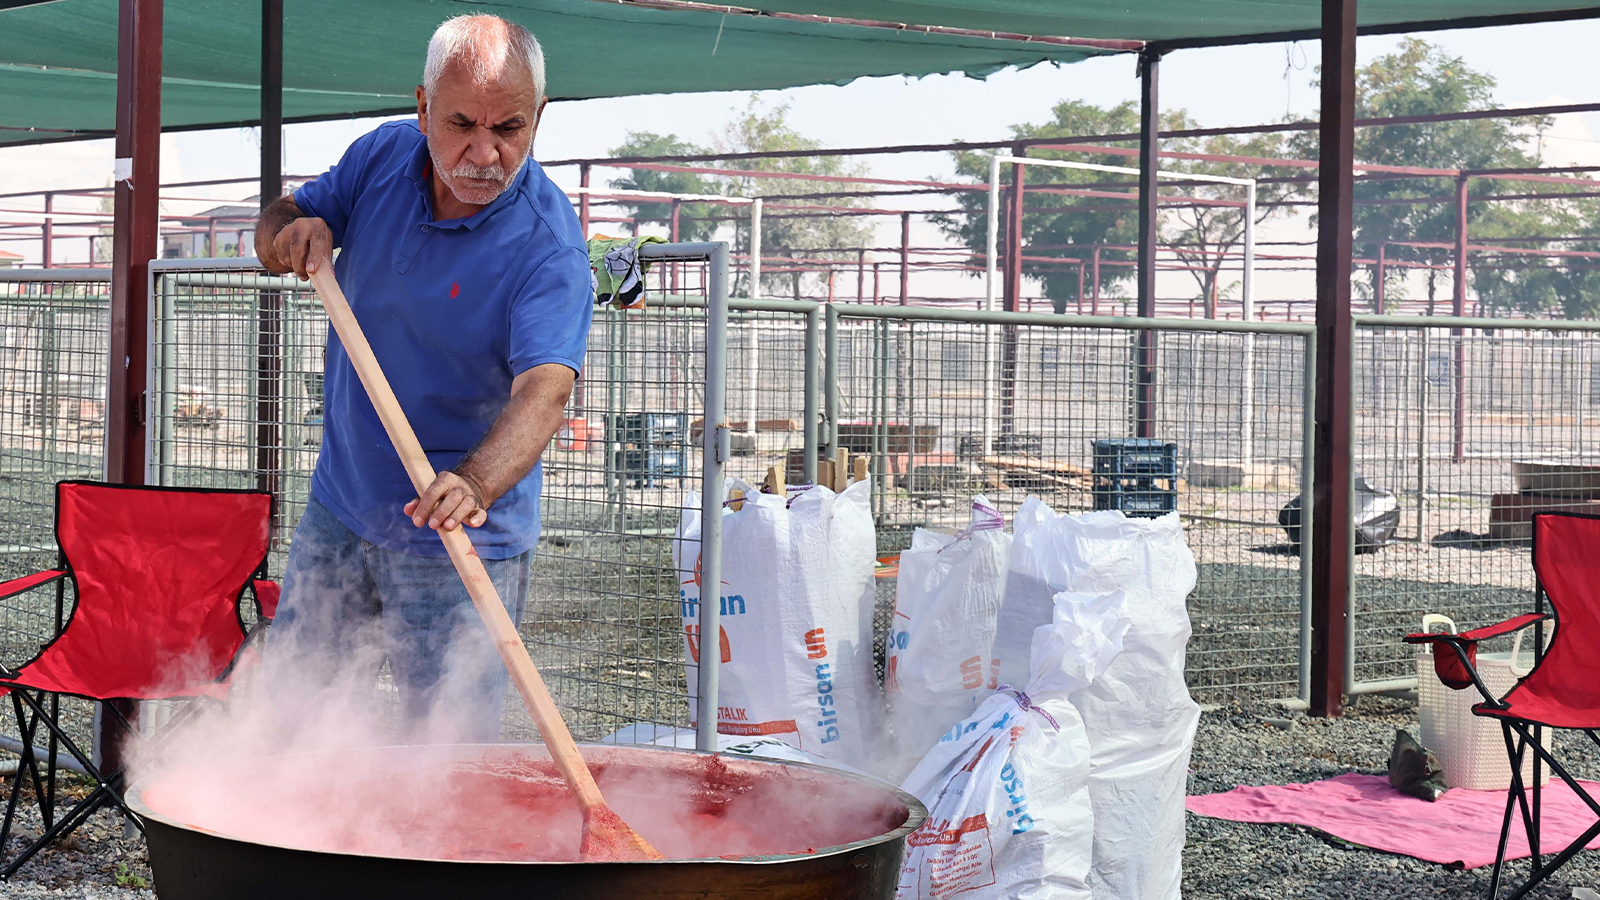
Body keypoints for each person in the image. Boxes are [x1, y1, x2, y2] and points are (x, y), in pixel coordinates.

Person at [253, 14, 591, 740]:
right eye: (461, 123)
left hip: (463, 539)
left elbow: (546, 389)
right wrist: (289, 234)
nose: (484, 153)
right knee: (288, 720)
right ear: (421, 109)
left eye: (510, 128)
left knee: (444, 758)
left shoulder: (547, 246)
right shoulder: (381, 158)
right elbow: (279, 219)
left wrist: (473, 482)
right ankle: (287, 850)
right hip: (342, 509)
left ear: (539, 119)